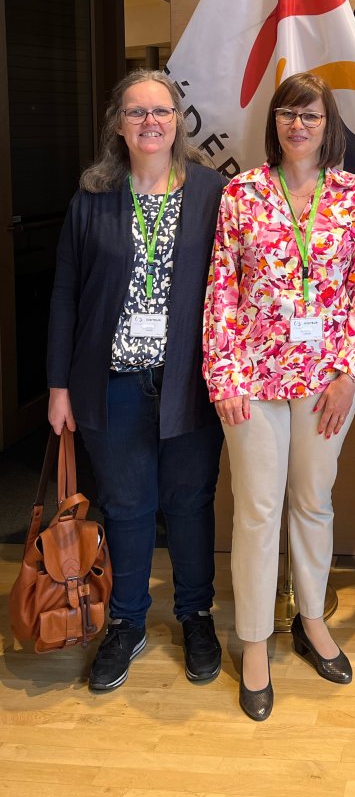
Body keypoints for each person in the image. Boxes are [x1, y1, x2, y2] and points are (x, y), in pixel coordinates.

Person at [204, 72, 355, 721]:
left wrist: (349, 372)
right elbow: (222, 289)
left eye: (310, 115)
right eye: (287, 114)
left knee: (312, 501)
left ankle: (311, 619)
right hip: (251, 380)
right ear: (274, 124)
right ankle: (255, 641)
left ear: (328, 124)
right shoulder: (242, 194)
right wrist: (223, 374)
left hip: (327, 383)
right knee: (256, 509)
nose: (298, 125)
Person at [47, 70, 225, 693]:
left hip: (190, 382)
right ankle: (126, 621)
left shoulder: (213, 193)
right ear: (117, 125)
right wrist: (58, 385)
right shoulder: (93, 196)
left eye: (162, 110)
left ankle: (195, 615)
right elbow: (67, 293)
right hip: (111, 382)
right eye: (136, 112)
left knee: (189, 502)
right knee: (126, 507)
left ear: (178, 120)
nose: (151, 121)